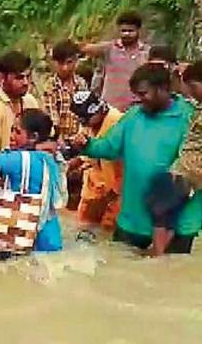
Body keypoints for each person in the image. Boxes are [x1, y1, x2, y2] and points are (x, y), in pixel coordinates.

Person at [73, 63, 202, 254]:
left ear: (163, 89)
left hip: (177, 224)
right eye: (137, 95)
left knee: (168, 274)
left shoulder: (190, 117)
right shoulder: (134, 115)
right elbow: (109, 147)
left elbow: (194, 169)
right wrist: (87, 145)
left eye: (144, 94)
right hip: (132, 217)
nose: (140, 100)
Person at [0, 110, 66, 260]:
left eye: (17, 131)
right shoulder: (50, 158)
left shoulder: (19, 159)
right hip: (50, 238)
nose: (11, 136)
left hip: (24, 239)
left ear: (33, 137)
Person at [145, 61, 202, 256]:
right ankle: (159, 253)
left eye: (194, 87)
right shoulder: (197, 107)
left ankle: (158, 254)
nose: (191, 92)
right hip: (187, 169)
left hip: (190, 169)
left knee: (161, 202)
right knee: (167, 207)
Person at [69, 91, 124, 240]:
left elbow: (125, 163)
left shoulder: (117, 122)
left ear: (98, 110)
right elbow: (87, 152)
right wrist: (78, 161)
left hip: (116, 189)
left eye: (86, 119)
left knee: (108, 233)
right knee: (83, 227)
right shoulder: (87, 122)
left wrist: (114, 192)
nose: (83, 123)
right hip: (94, 186)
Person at [81, 11, 150, 111]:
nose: (126, 34)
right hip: (109, 108)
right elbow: (85, 49)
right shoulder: (109, 48)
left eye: (130, 31)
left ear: (139, 30)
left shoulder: (146, 52)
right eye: (123, 31)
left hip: (136, 109)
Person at [0, 50, 40, 153]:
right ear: (2, 77)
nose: (25, 82)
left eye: (28, 77)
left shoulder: (30, 101)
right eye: (19, 78)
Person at [43, 40, 88, 138]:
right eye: (61, 63)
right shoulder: (51, 85)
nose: (65, 68)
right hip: (60, 138)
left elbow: (85, 114)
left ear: (76, 61)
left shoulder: (81, 83)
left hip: (79, 137)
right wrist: (59, 138)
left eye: (69, 63)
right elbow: (52, 117)